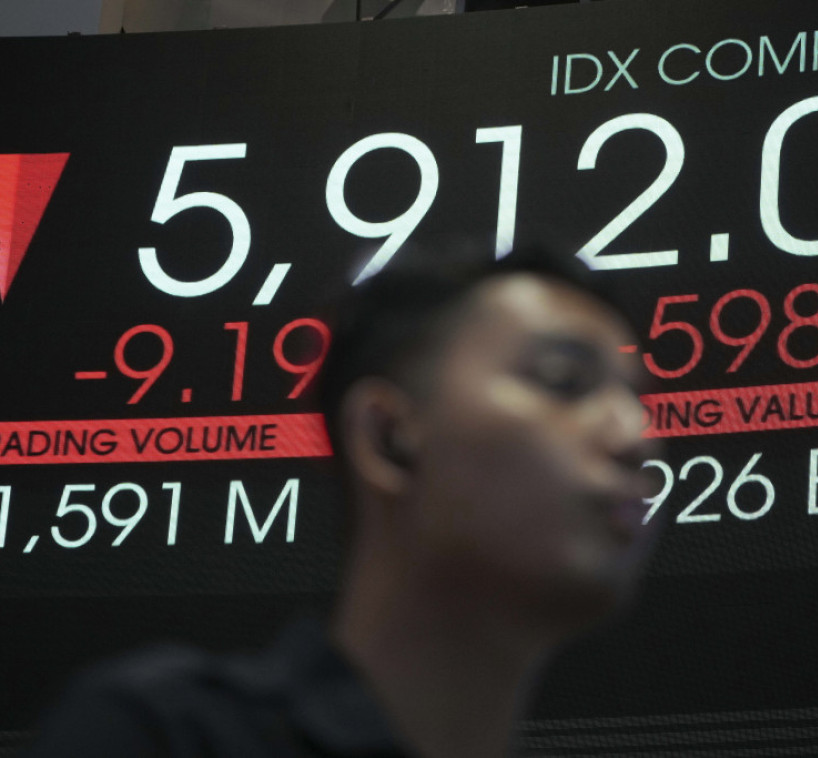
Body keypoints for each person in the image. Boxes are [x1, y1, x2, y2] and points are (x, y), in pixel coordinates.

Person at [23, 243, 661, 758]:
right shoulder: (163, 735)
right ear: (388, 437)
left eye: (636, 398)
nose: (636, 437)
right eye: (563, 380)